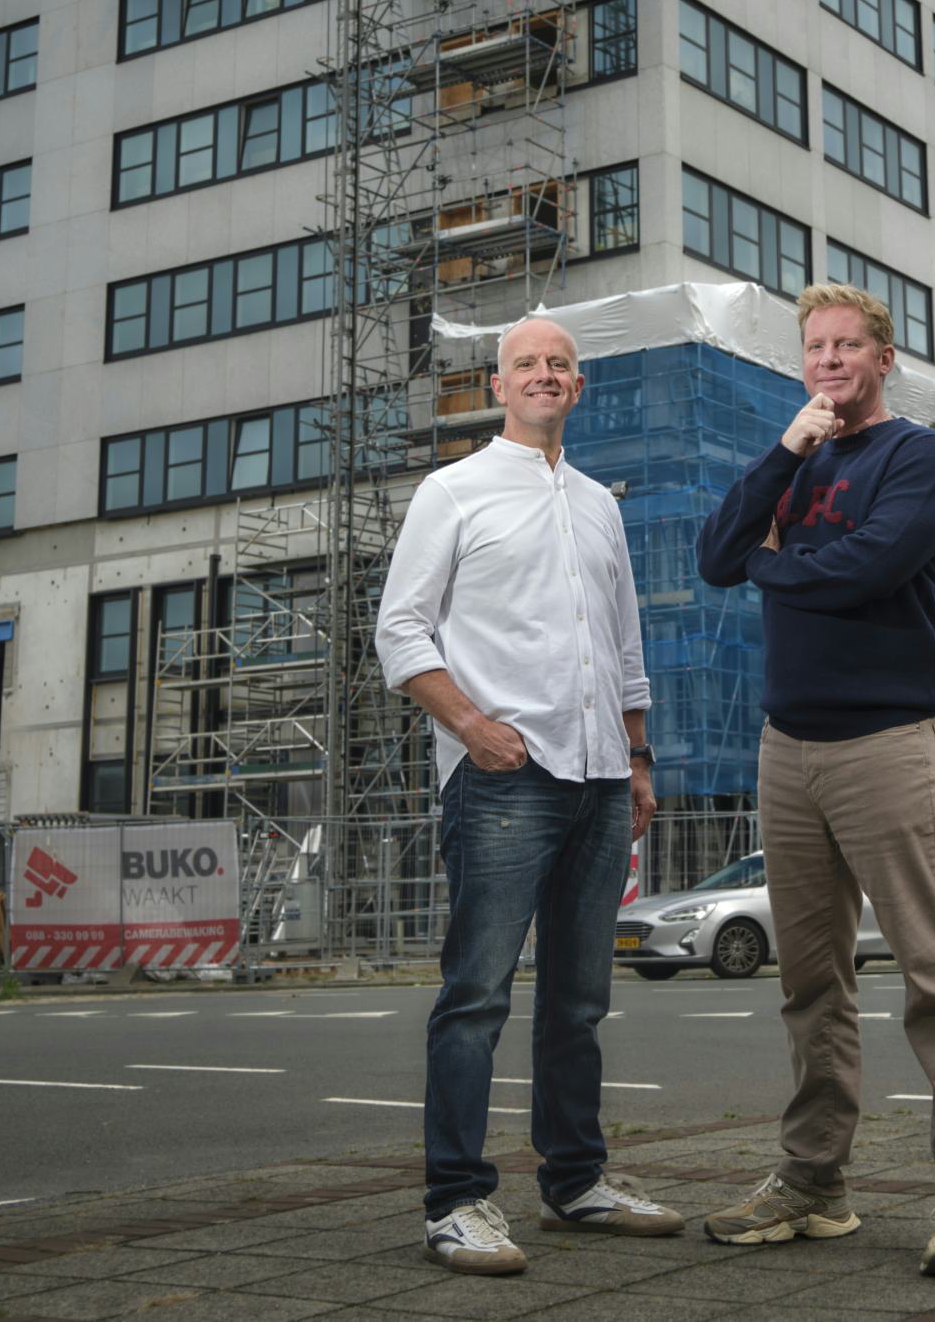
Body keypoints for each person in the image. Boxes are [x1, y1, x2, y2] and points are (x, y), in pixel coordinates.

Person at [693, 283, 935, 1276]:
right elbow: (716, 554)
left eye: (846, 346)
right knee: (809, 982)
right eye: (814, 347)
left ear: (882, 357)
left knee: (934, 969)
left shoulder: (921, 456)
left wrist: (774, 564)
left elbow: (866, 569)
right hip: (787, 749)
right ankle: (812, 1182)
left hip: (885, 739)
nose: (829, 361)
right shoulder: (797, 460)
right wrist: (782, 460)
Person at [376, 314, 680, 1275]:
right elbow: (401, 632)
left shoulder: (599, 504)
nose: (544, 375)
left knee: (580, 1001)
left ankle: (576, 1181)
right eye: (526, 365)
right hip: (505, 777)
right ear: (497, 386)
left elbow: (625, 646)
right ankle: (456, 1202)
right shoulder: (452, 491)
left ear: (577, 387)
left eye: (560, 364)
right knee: (476, 996)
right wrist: (471, 726)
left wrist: (637, 760)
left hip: (598, 780)